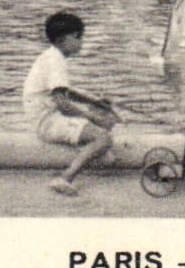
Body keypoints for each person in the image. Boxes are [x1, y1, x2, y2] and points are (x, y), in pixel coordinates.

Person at [22, 11, 117, 196]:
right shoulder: (56, 61)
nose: (81, 42)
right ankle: (66, 177)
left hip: (42, 116)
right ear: (65, 39)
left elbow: (65, 92)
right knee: (104, 138)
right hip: (47, 121)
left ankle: (92, 154)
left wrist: (94, 102)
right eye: (78, 37)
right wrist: (95, 117)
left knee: (95, 127)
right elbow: (63, 104)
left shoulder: (50, 56)